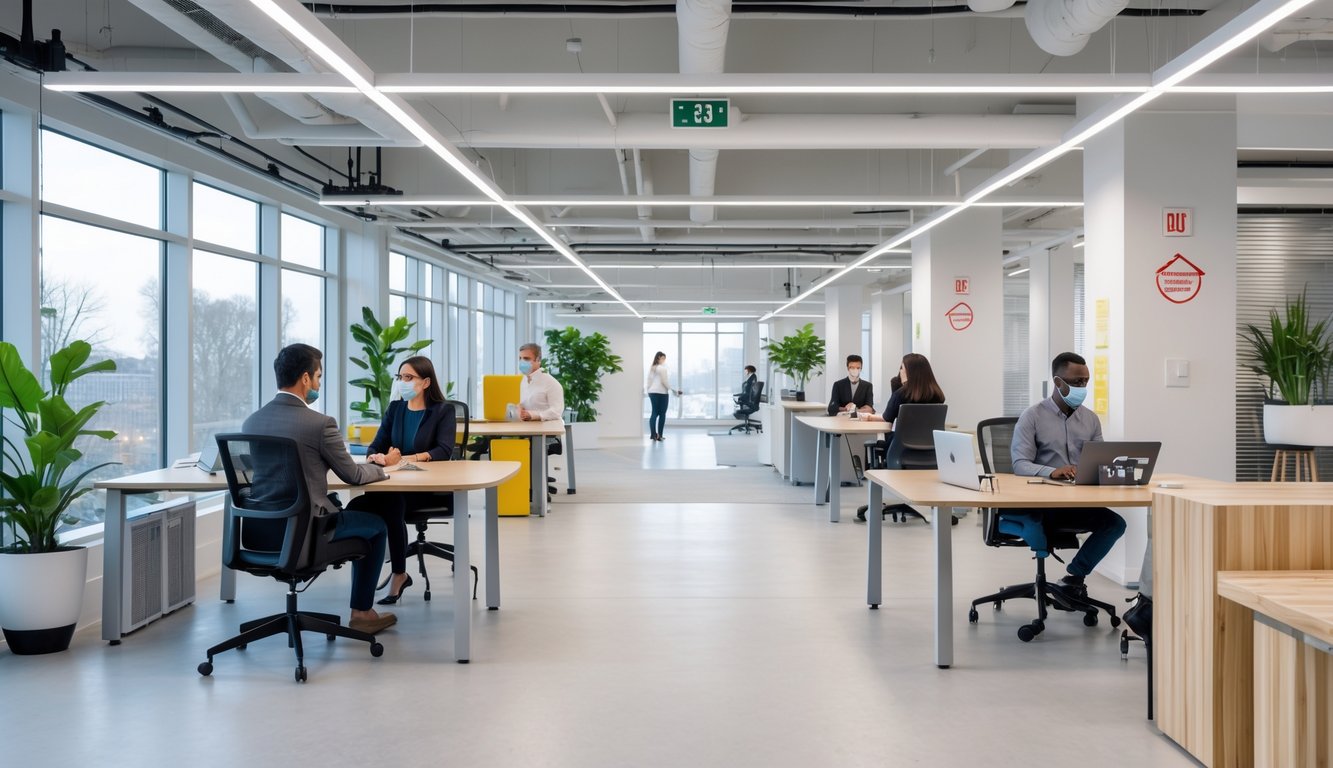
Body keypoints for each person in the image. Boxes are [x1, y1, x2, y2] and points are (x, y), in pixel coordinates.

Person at [241, 343, 397, 635]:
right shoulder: (320, 424)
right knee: (376, 525)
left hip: (260, 531)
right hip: (308, 531)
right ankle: (362, 612)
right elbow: (352, 474)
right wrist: (383, 467)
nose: (319, 384)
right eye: (319, 377)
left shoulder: (252, 421)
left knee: (350, 509)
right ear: (305, 379)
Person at [1010, 351, 1127, 595]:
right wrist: (1053, 472)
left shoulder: (1091, 420)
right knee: (1108, 522)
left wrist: (1114, 469)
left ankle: (1074, 576)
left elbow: (1101, 460)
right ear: (1057, 382)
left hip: (1079, 502)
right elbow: (1020, 464)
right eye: (1076, 382)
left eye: (1085, 381)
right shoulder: (1032, 416)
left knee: (1115, 524)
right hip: (1044, 506)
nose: (1083, 387)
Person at [349, 356, 457, 605]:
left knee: (390, 503)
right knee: (357, 508)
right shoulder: (395, 409)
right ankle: (368, 582)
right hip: (392, 482)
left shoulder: (442, 411)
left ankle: (398, 573)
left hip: (428, 487)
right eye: (400, 377)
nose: (402, 382)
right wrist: (378, 456)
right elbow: (375, 444)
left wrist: (405, 458)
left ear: (426, 382)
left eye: (408, 378)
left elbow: (443, 450)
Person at [858, 353, 946, 522]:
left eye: (902, 368)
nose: (899, 371)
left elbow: (887, 419)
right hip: (931, 454)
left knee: (878, 441)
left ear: (910, 372)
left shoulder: (901, 394)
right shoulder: (938, 395)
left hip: (900, 453)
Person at [517, 342, 565, 422]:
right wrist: (519, 409)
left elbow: (556, 411)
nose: (522, 362)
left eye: (526, 359)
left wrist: (533, 415)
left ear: (538, 360)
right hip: (529, 427)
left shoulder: (551, 383)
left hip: (549, 431)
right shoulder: (524, 380)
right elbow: (526, 403)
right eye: (520, 358)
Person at [645, 351, 681, 442]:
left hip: (652, 392)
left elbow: (649, 381)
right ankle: (660, 435)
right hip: (661, 393)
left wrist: (648, 391)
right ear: (658, 358)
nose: (664, 360)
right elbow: (664, 382)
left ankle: (653, 435)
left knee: (654, 413)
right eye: (663, 358)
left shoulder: (652, 368)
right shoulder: (662, 368)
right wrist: (674, 390)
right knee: (662, 414)